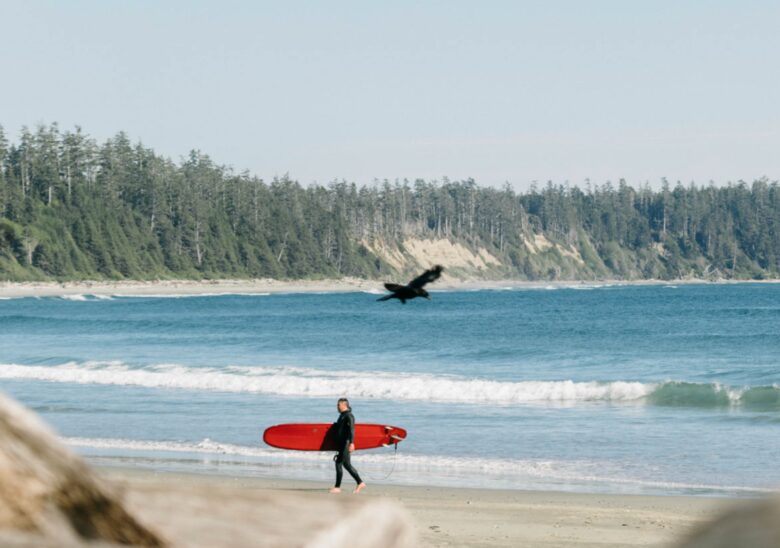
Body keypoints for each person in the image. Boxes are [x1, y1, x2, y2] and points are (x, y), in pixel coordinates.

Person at [329, 398, 366, 494]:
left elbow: (352, 430)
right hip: (342, 443)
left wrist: (352, 443)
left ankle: (337, 487)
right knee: (347, 465)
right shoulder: (342, 416)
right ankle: (360, 482)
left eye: (338, 405)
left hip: (346, 443)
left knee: (339, 463)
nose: (337, 407)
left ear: (344, 405)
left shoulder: (349, 416)